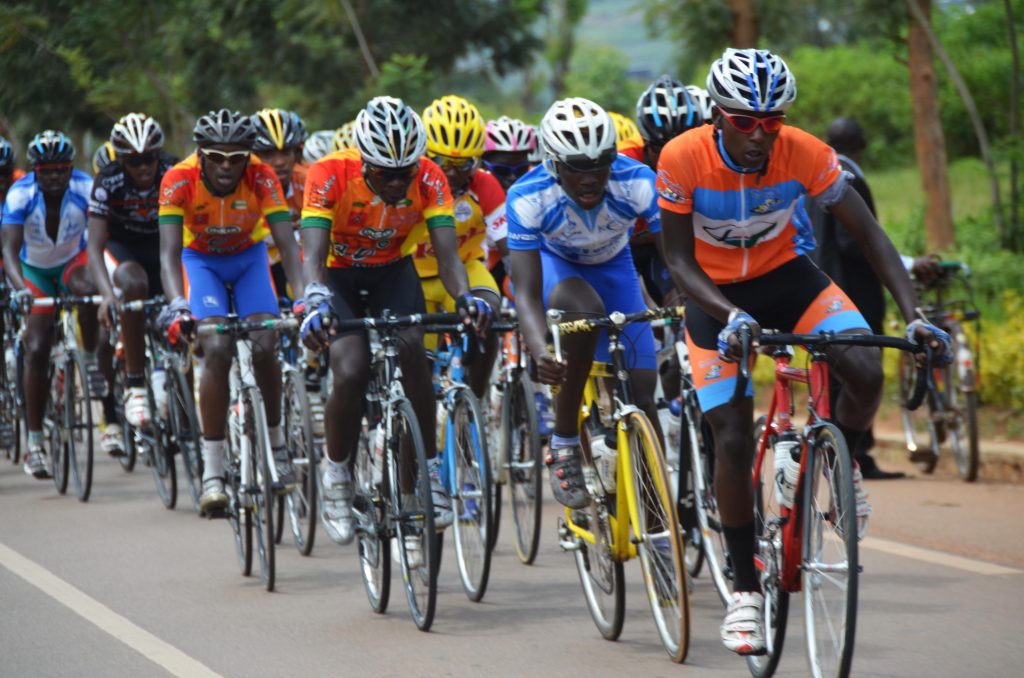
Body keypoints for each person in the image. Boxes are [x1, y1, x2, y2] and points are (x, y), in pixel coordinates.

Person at [657, 48, 951, 655]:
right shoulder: (682, 157)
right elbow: (678, 261)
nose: (762, 135)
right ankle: (744, 593)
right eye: (746, 121)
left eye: (774, 120)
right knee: (733, 438)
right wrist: (730, 314)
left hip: (788, 278)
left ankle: (829, 472)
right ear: (718, 114)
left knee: (867, 369)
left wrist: (916, 317)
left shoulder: (807, 152)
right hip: (713, 297)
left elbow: (869, 234)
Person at [299, 96, 486, 556]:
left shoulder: (430, 177)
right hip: (338, 277)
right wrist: (315, 299)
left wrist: (465, 298)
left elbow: (448, 259)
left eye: (406, 171)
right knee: (350, 369)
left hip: (391, 273)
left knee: (413, 356)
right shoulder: (329, 174)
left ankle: (417, 479)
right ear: (364, 160)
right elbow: (314, 257)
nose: (399, 182)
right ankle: (338, 473)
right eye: (386, 174)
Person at [507, 97, 663, 509]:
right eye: (578, 167)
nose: (591, 178)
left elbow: (677, 257)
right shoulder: (528, 195)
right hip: (555, 267)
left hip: (615, 267)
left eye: (601, 164)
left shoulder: (638, 181)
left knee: (642, 393)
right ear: (554, 165)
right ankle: (564, 442)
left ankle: (658, 520)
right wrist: (539, 348)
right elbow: (523, 292)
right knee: (585, 309)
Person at [158, 109, 305, 512]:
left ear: (247, 157)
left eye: (236, 157)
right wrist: (177, 306)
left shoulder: (261, 176)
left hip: (248, 259)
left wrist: (306, 295)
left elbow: (288, 246)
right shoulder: (177, 179)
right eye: (217, 157)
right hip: (200, 261)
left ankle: (276, 445)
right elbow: (169, 253)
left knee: (265, 340)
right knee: (216, 348)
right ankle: (213, 471)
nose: (227, 166)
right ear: (200, 155)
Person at [809, 117, 940, 479]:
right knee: (861, 374)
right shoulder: (848, 180)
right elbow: (860, 241)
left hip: (819, 292)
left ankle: (837, 449)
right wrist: (909, 264)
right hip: (854, 293)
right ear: (863, 145)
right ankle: (856, 456)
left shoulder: (816, 177)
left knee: (837, 375)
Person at [2, 130, 102, 479]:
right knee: (38, 343)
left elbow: (100, 237)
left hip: (73, 262)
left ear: (71, 168)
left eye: (62, 170)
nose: (55, 177)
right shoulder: (20, 195)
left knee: (89, 290)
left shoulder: (85, 188)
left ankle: (88, 359)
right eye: (47, 171)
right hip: (35, 271)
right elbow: (10, 251)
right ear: (35, 171)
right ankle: (34, 442)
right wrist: (20, 289)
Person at [88, 113, 177, 442]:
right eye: (135, 161)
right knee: (134, 285)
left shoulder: (173, 171)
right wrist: (107, 294)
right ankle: (136, 384)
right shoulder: (107, 181)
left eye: (150, 159)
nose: (144, 169)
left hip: (164, 246)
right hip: (122, 248)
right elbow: (94, 246)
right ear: (122, 160)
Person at [413, 94, 505, 397]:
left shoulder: (485, 185)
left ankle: (474, 404)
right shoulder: (408, 183)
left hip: (466, 269)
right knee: (419, 372)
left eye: (462, 163)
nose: (450, 172)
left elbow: (510, 248)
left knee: (487, 317)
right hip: (413, 278)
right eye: (440, 161)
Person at [251, 108, 308, 299]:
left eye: (286, 152)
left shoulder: (309, 180)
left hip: (295, 262)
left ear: (297, 153)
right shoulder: (243, 187)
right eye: (268, 154)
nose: (279, 162)